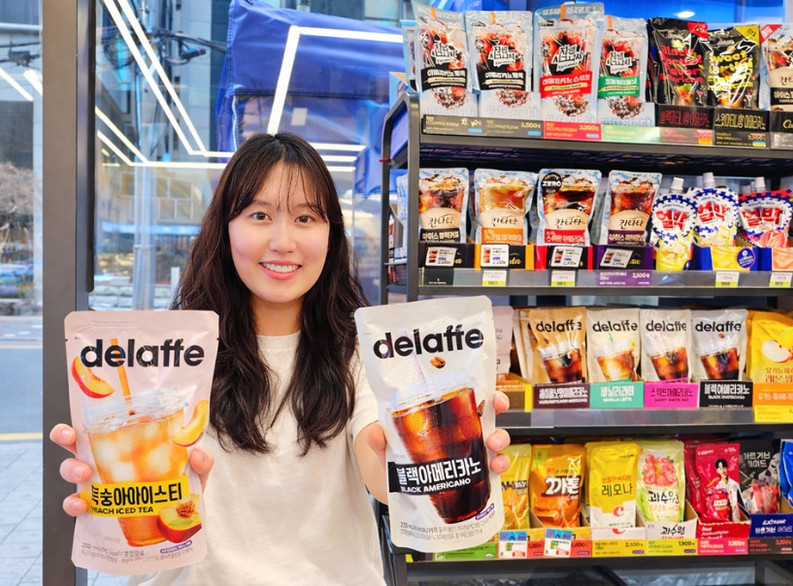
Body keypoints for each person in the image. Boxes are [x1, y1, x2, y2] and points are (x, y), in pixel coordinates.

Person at [51, 132, 512, 584]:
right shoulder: (172, 354)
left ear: (331, 235)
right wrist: (99, 477)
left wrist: (419, 462)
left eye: (306, 218)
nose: (283, 241)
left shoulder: (362, 349)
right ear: (224, 229)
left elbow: (380, 472)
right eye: (259, 215)